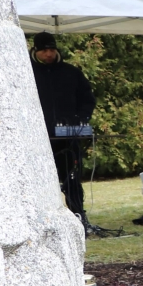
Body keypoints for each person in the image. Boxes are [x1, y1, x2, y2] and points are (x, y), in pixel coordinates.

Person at [28, 32, 95, 216]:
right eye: (44, 51)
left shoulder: (71, 73)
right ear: (35, 50)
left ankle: (78, 217)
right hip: (37, 140)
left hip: (68, 140)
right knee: (38, 182)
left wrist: (81, 119)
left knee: (72, 180)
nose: (49, 54)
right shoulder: (26, 72)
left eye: (52, 50)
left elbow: (88, 100)